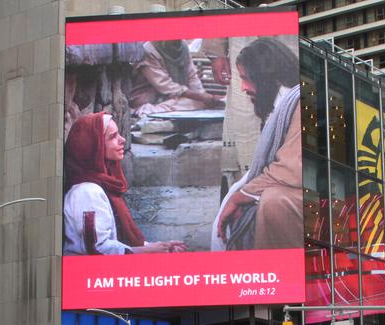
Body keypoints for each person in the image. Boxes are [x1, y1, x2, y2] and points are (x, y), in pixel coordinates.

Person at [212, 37, 302, 252]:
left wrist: (243, 195)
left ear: (266, 78)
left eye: (246, 79)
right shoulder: (282, 106)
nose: (242, 87)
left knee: (273, 202)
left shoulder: (298, 102)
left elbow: (293, 168)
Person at [64, 113, 186, 256]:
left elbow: (114, 239)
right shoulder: (87, 192)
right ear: (94, 147)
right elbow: (96, 249)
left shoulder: (101, 184)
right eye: (112, 137)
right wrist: (146, 251)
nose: (122, 140)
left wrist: (159, 247)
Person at [128, 40, 223, 117]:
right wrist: (202, 97)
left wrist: (205, 97)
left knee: (200, 103)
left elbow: (192, 77)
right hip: (152, 100)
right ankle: (147, 111)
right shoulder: (148, 50)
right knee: (195, 102)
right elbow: (165, 86)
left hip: (177, 99)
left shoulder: (183, 46)